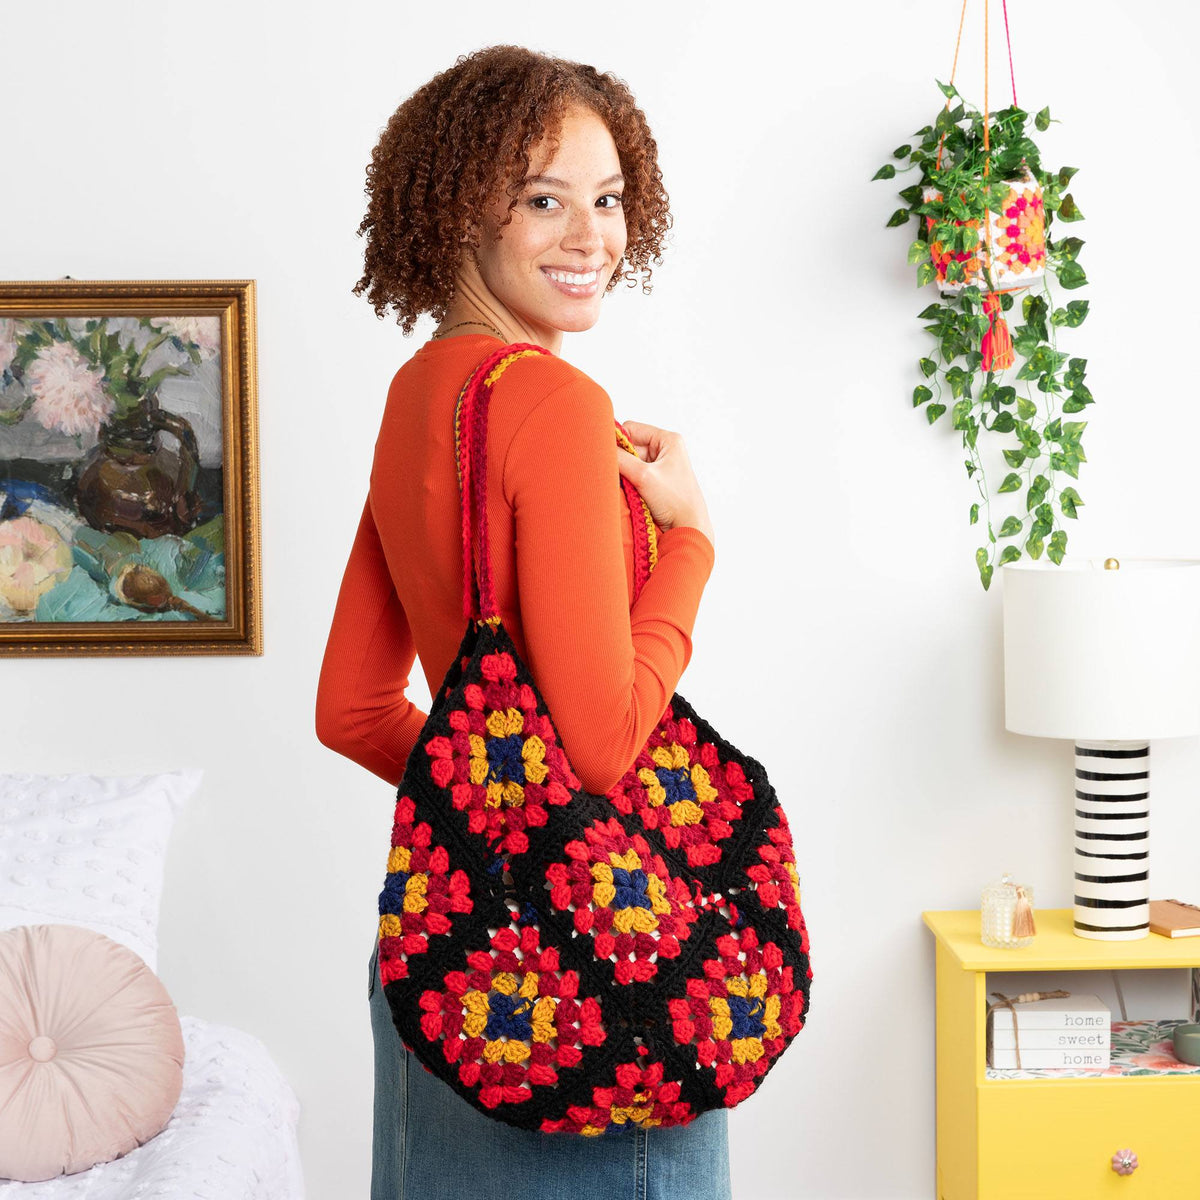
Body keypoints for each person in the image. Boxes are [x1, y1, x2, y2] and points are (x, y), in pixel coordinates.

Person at [315, 43, 726, 1200]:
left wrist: (483, 815)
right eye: (544, 199)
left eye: (607, 199)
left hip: (445, 961)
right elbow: (600, 749)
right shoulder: (553, 403)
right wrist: (689, 542)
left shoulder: (416, 399)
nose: (590, 235)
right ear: (457, 209)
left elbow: (350, 709)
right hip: (594, 971)